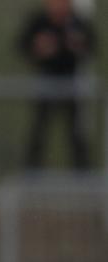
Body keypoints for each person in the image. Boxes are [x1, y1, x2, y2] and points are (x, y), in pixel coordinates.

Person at [18, 0, 97, 170]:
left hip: (70, 83)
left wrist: (78, 46)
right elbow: (22, 45)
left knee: (76, 129)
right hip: (46, 81)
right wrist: (38, 48)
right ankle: (32, 170)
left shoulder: (77, 23)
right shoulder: (39, 22)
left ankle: (83, 171)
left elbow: (92, 46)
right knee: (39, 127)